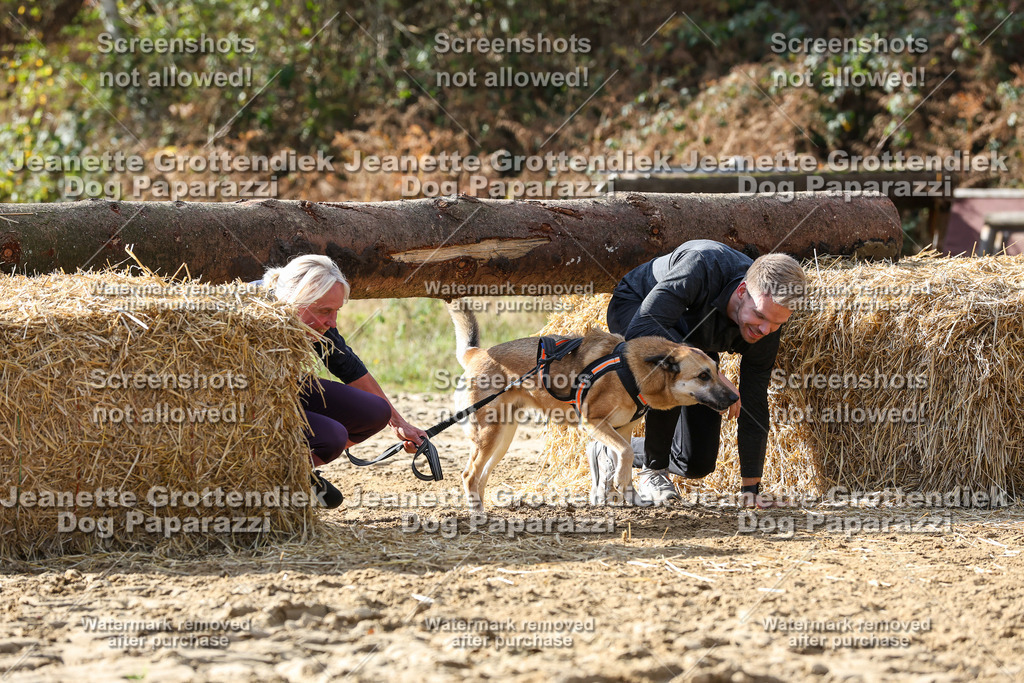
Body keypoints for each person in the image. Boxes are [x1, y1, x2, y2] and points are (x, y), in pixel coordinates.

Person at [588, 240, 806, 507]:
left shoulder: (767, 326)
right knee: (672, 372)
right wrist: (714, 373)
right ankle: (654, 472)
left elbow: (754, 403)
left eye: (777, 323)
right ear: (741, 291)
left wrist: (751, 490)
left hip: (693, 344)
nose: (764, 329)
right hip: (639, 309)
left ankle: (616, 443)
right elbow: (643, 326)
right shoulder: (702, 264)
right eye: (759, 315)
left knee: (695, 463)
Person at [259, 255, 427, 508]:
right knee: (331, 436)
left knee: (374, 411)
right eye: (325, 311)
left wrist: (400, 424)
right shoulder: (251, 312)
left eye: (336, 311)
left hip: (285, 388)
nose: (333, 322)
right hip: (247, 401)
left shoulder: (315, 323)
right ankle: (267, 473)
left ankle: (297, 470)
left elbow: (349, 368)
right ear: (293, 301)